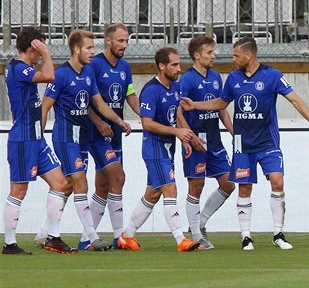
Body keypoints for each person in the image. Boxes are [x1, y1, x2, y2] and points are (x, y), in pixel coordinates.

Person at [181, 37, 309, 251]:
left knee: (277, 181)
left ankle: (278, 233)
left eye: (236, 56)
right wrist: (195, 105)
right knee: (244, 187)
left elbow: (295, 99)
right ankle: (246, 237)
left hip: (268, 141)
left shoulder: (272, 76)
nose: (232, 59)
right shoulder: (232, 78)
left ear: (248, 56)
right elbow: (222, 103)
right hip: (243, 143)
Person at [38, 29, 131, 251]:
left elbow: (98, 104)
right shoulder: (61, 75)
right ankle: (91, 237)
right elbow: (45, 107)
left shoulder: (88, 73)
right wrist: (38, 138)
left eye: (93, 47)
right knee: (80, 181)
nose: (92, 52)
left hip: (86, 136)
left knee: (71, 185)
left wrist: (119, 121)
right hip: (66, 138)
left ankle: (45, 234)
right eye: (89, 48)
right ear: (76, 49)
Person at [117, 47, 199, 252]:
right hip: (154, 148)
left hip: (168, 148)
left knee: (153, 194)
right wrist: (176, 132)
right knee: (170, 188)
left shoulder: (175, 87)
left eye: (179, 64)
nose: (179, 69)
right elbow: (147, 123)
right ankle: (181, 239)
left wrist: (185, 137)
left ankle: (127, 236)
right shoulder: (151, 90)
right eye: (174, 65)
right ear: (162, 66)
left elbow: (177, 112)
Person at [2, 27, 76, 254]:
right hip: (23, 138)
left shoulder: (23, 68)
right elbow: (50, 76)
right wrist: (46, 53)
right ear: (33, 47)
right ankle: (10, 243)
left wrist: (42, 53)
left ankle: (53, 237)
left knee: (62, 184)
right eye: (40, 46)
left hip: (36, 138)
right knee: (19, 190)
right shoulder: (17, 68)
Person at [77, 23, 140, 250]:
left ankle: (86, 239)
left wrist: (145, 114)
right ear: (108, 41)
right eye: (120, 41)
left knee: (104, 185)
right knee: (118, 176)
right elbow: (87, 99)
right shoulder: (94, 65)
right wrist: (98, 121)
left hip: (114, 132)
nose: (124, 45)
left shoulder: (124, 66)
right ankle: (119, 236)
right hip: (95, 133)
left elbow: (129, 94)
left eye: (127, 41)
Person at [177, 36, 235, 250]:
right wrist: (190, 137)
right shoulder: (187, 79)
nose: (214, 55)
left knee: (228, 183)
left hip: (214, 139)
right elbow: (178, 112)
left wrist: (233, 133)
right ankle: (196, 236)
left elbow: (221, 107)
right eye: (209, 52)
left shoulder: (216, 77)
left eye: (213, 52)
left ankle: (200, 223)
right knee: (196, 185)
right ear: (197, 55)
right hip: (196, 140)